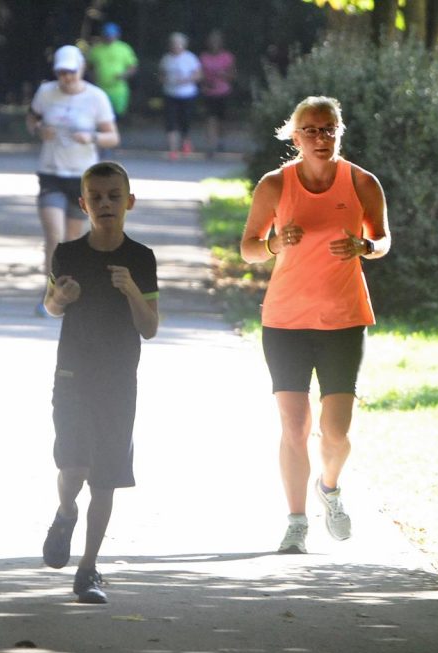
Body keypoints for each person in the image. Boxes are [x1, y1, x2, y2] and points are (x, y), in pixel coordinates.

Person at [239, 96, 391, 554]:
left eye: (328, 129)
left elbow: (383, 239)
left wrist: (365, 247)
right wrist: (273, 243)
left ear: (339, 132)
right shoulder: (274, 185)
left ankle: (329, 487)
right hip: (285, 321)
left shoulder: (361, 182)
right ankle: (296, 523)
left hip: (344, 319)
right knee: (294, 427)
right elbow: (247, 247)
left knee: (337, 431)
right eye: (311, 130)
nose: (320, 138)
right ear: (295, 136)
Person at [41, 161, 159, 604]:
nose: (105, 203)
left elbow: (149, 327)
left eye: (114, 196)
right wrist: (59, 298)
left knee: (105, 477)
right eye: (97, 197)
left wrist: (131, 290)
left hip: (118, 378)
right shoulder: (68, 253)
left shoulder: (141, 258)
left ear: (130, 202)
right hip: (72, 373)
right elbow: (51, 305)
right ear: (83, 204)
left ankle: (88, 568)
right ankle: (65, 512)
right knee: (73, 468)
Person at [27, 45, 119, 317]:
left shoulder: (96, 97)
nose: (66, 78)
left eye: (71, 72)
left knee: (72, 240)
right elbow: (32, 119)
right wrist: (39, 129)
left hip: (82, 178)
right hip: (51, 173)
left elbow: (113, 137)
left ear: (81, 70)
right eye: (61, 73)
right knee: (54, 237)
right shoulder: (46, 93)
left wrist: (92, 137)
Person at [158, 32, 202, 160]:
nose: (175, 46)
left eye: (178, 44)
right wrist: (165, 80)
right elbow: (161, 75)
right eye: (173, 44)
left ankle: (185, 141)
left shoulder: (190, 58)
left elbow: (199, 75)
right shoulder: (166, 59)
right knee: (171, 121)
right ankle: (173, 149)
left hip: (187, 94)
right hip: (170, 94)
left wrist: (186, 80)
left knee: (185, 120)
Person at [86, 22, 138, 120]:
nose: (109, 37)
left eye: (111, 35)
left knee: (118, 115)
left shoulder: (124, 48)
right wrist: (92, 78)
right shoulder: (96, 49)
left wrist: (124, 75)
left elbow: (133, 67)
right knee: (101, 115)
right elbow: (88, 66)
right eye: (107, 35)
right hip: (100, 88)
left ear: (117, 35)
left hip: (118, 90)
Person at [199, 30, 236, 157]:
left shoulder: (227, 57)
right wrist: (204, 83)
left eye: (216, 42)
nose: (214, 44)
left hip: (223, 92)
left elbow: (232, 75)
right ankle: (211, 146)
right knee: (210, 119)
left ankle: (221, 140)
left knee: (221, 120)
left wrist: (223, 75)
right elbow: (200, 74)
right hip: (209, 92)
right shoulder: (204, 57)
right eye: (211, 42)